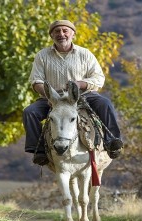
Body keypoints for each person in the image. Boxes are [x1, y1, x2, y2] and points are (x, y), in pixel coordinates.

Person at [23, 20, 123, 166]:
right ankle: (39, 150)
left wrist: (80, 84)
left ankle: (111, 142)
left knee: (105, 103)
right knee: (29, 112)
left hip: (83, 96)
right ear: (51, 35)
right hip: (53, 98)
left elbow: (98, 78)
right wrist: (49, 96)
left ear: (73, 34)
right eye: (57, 31)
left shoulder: (85, 54)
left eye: (65, 31)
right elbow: (36, 81)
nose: (61, 34)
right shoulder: (42, 55)